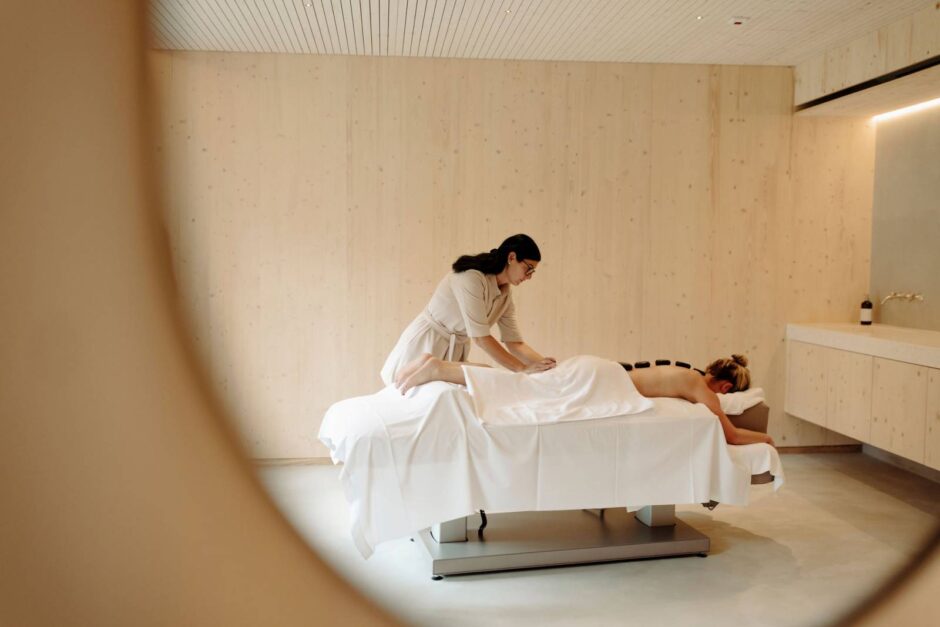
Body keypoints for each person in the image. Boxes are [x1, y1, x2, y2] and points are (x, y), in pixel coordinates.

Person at [394, 353, 775, 447]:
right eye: (728, 394)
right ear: (725, 386)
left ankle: (445, 368)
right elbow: (731, 435)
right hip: (601, 380)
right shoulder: (700, 387)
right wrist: (769, 440)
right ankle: (441, 370)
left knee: (523, 384)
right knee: (526, 389)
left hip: (598, 369)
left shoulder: (684, 370)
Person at [380, 234, 556, 387]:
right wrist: (522, 368)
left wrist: (548, 368)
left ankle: (435, 367)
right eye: (528, 268)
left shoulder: (504, 295)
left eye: (533, 272)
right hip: (426, 343)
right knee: (487, 375)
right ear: (511, 257)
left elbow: (515, 343)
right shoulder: (471, 278)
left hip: (452, 352)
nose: (529, 276)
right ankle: (431, 367)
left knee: (487, 374)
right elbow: (481, 338)